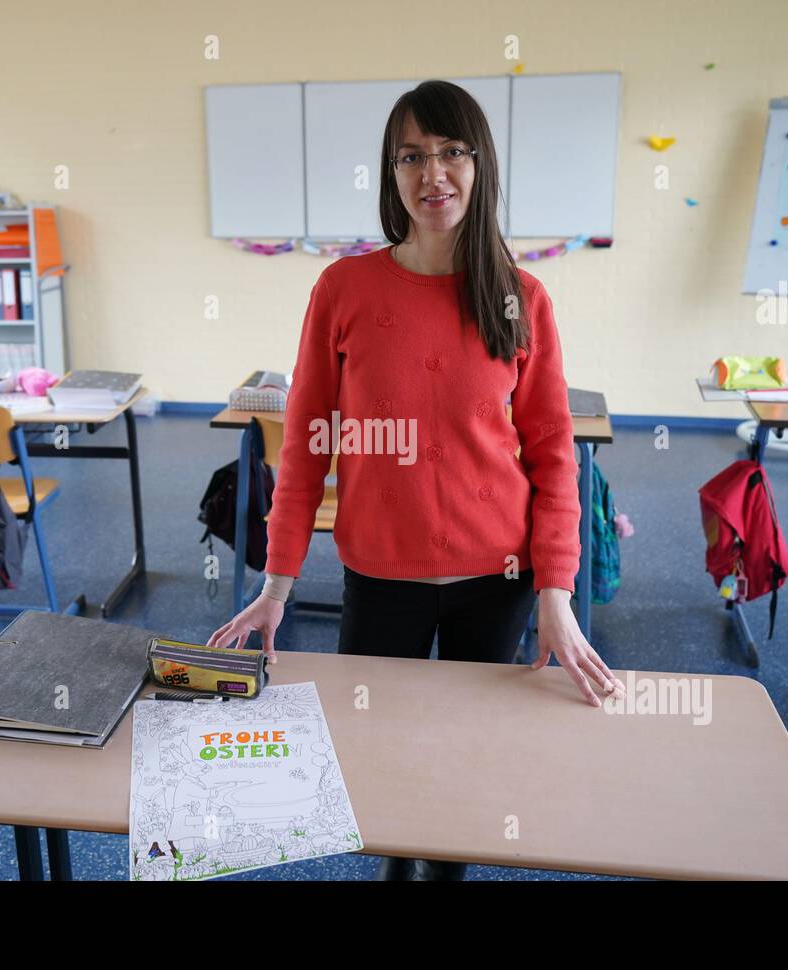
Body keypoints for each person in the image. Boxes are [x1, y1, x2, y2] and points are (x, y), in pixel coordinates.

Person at [208, 79, 622, 880]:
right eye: (411, 156)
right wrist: (276, 586)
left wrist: (556, 596)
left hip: (495, 579)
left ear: (479, 165)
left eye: (451, 152)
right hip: (380, 576)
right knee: (379, 753)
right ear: (390, 175)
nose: (433, 172)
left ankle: (448, 868)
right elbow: (305, 450)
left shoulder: (519, 296)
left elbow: (552, 454)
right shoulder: (343, 289)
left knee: (471, 757)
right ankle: (395, 865)